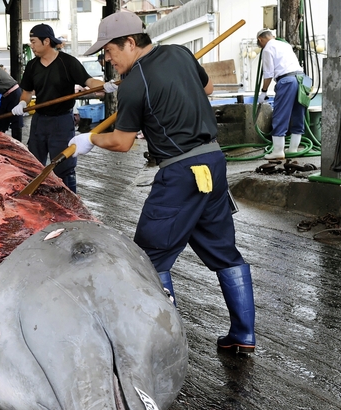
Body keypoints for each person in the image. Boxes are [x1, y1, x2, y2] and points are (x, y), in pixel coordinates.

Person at [68, 11, 256, 353]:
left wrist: (89, 141)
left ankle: (165, 346)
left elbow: (123, 143)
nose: (107, 60)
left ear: (129, 42)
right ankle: (243, 335)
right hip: (212, 163)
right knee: (224, 252)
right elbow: (208, 88)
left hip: (181, 174)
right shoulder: (180, 53)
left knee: (149, 257)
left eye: (109, 51)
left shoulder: (135, 84)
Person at [10, 23, 103, 192]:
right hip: (40, 121)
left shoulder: (68, 62)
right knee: (34, 165)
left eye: (33, 41)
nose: (31, 46)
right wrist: (22, 103)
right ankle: (38, 203)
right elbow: (27, 91)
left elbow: (89, 82)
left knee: (63, 166)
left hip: (62, 121)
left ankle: (70, 204)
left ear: (46, 41)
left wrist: (105, 86)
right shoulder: (32, 66)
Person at [256, 28, 306, 160]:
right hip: (303, 78)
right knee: (298, 113)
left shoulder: (267, 49)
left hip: (287, 81)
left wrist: (264, 91)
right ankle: (293, 149)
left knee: (280, 114)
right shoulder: (285, 45)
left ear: (260, 40)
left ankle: (278, 151)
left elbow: (268, 74)